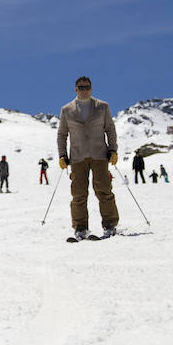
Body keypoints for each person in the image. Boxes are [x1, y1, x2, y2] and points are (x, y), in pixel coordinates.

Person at [56, 76, 119, 240]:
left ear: (91, 89)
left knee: (104, 190)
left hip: (99, 154)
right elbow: (62, 135)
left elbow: (110, 129)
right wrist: (62, 155)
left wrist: (113, 149)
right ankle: (80, 228)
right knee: (78, 194)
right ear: (75, 89)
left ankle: (110, 225)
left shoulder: (102, 107)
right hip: (78, 157)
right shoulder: (66, 110)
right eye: (81, 87)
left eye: (87, 87)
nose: (84, 90)